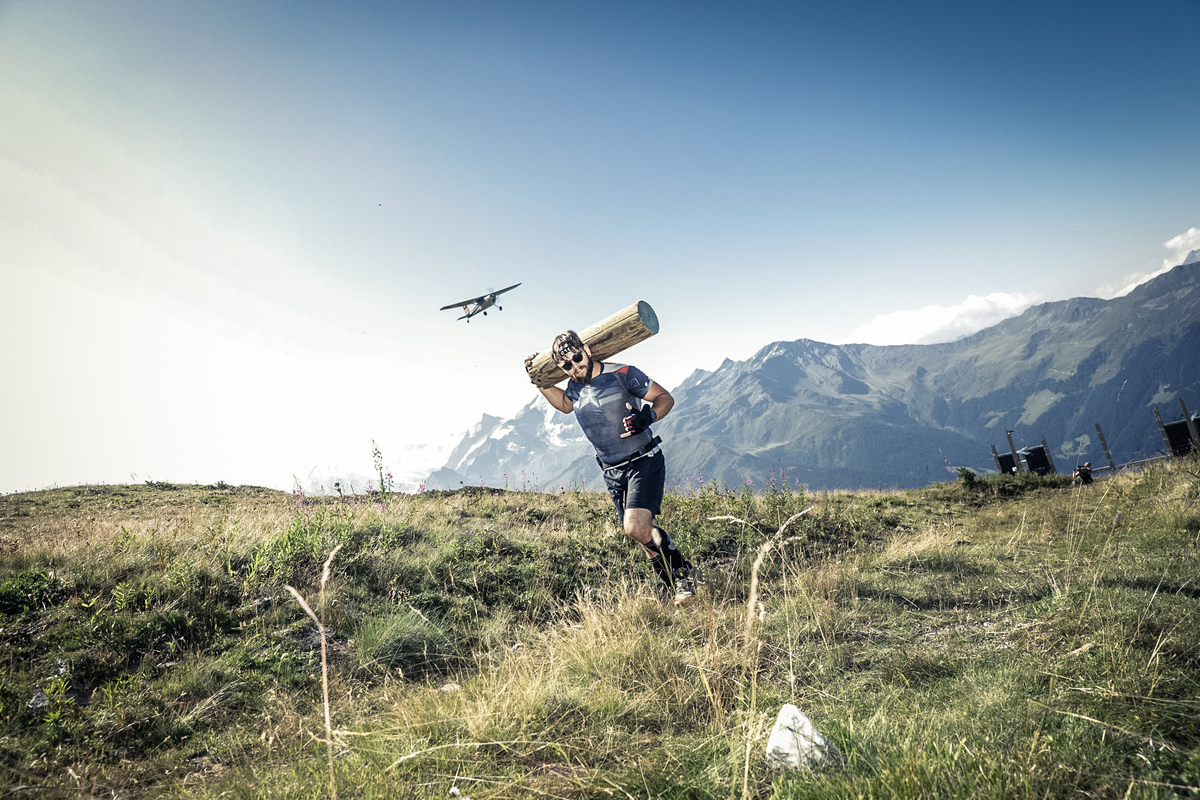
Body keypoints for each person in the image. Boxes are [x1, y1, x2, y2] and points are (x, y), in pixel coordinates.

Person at [525, 330, 699, 604]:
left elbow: (665, 398)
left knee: (635, 527)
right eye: (567, 365)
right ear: (561, 368)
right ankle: (670, 586)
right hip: (611, 471)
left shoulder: (623, 373)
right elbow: (563, 405)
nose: (576, 366)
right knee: (644, 534)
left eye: (577, 358)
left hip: (643, 459)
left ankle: (682, 572)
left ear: (587, 349)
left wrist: (648, 417)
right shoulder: (573, 386)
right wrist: (539, 381)